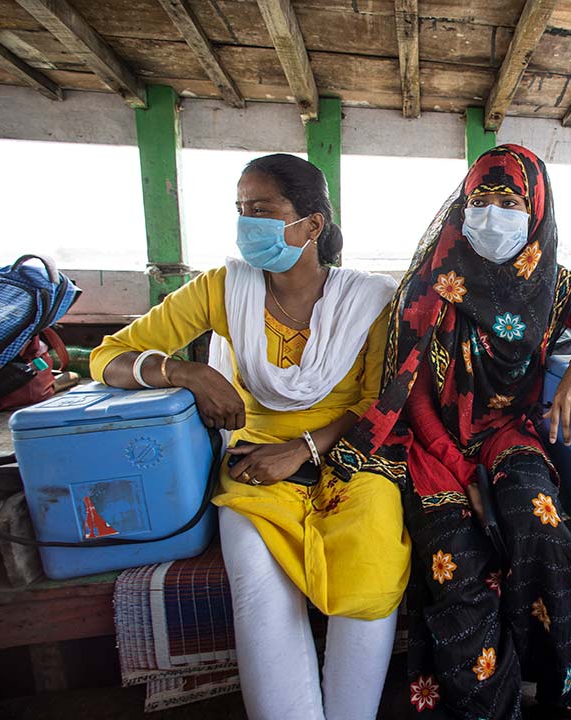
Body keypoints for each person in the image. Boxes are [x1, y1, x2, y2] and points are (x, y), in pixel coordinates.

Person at [325, 145, 571, 719]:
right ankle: (489, 710)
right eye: (481, 199)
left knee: (545, 528)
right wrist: (464, 472)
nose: (493, 214)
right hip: (431, 446)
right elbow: (413, 398)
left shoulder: (557, 285)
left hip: (509, 432)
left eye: (510, 200)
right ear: (462, 205)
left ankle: (563, 692)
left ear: (536, 208)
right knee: (459, 564)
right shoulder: (435, 282)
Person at [89, 154, 410, 720]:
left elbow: (373, 403)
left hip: (351, 456)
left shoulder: (371, 299)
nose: (247, 225)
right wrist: (187, 372)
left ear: (313, 225)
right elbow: (106, 356)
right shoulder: (222, 288)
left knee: (372, 564)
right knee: (260, 586)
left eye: (262, 211)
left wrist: (306, 449)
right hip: (252, 462)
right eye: (241, 211)